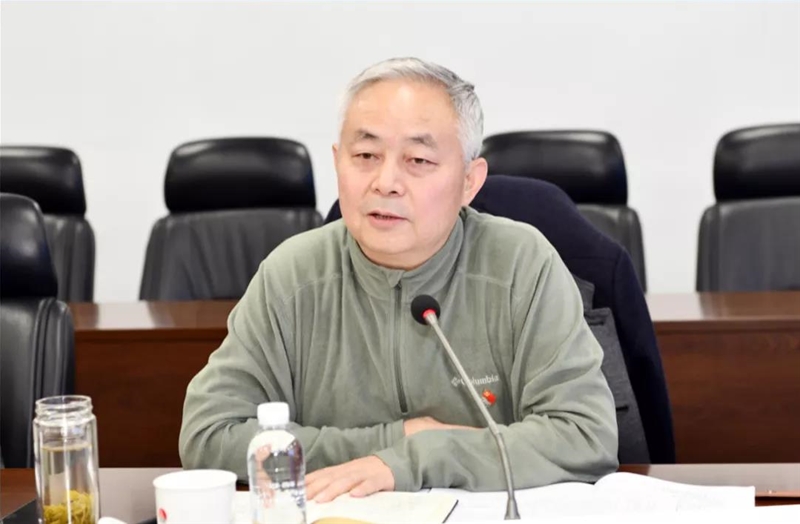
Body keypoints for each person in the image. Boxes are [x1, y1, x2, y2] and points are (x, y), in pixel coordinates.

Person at [179, 57, 618, 502]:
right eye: (365, 156)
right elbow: (208, 434)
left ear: (469, 181)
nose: (385, 182)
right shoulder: (292, 276)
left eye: (418, 159)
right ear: (337, 162)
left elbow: (585, 435)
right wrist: (390, 443)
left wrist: (420, 457)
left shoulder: (521, 265)